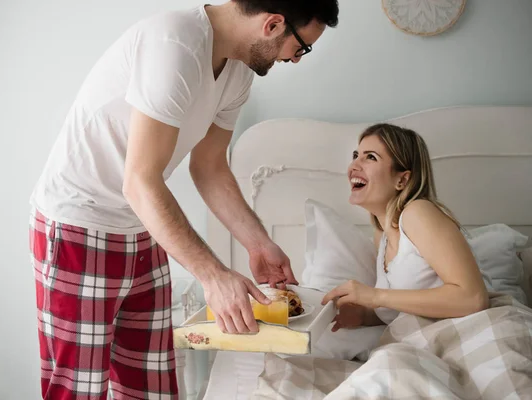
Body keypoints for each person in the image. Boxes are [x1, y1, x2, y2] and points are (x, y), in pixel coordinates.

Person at [29, 1, 340, 398]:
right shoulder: (175, 45)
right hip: (78, 225)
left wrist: (258, 244)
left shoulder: (239, 71)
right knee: (78, 389)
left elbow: (209, 167)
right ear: (273, 24)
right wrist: (214, 276)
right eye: (300, 48)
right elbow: (139, 182)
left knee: (151, 385)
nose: (295, 59)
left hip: (142, 224)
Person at [322, 123, 489, 331]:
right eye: (356, 155)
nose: (354, 166)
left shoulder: (417, 213)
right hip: (431, 339)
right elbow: (405, 308)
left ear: (402, 179)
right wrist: (364, 316)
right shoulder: (382, 237)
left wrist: (375, 296)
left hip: (476, 331)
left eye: (370, 157)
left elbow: (472, 299)